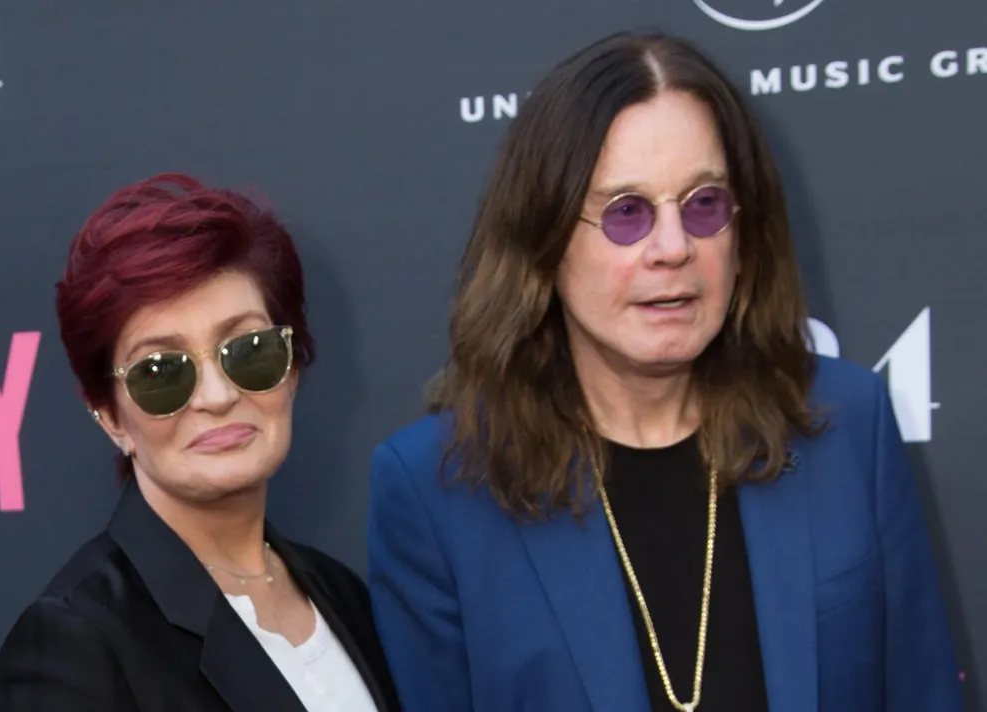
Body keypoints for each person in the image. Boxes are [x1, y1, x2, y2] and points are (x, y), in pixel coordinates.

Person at [366, 31, 963, 712]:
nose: (674, 248)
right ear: (545, 238)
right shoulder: (436, 490)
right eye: (627, 213)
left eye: (704, 204)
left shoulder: (847, 423)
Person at [0, 173, 401, 712]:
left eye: (249, 350)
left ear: (292, 367)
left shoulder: (343, 596)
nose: (218, 396)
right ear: (109, 415)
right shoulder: (76, 644)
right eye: (162, 372)